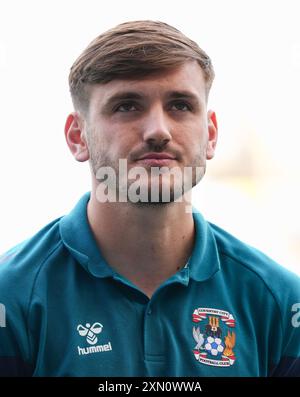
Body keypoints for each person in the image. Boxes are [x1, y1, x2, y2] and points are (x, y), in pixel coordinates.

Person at [0, 20, 299, 377]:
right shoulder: (12, 296)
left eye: (181, 106)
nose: (158, 130)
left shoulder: (280, 300)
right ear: (78, 135)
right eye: (127, 106)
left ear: (211, 135)